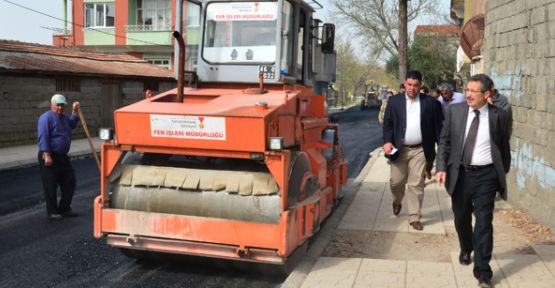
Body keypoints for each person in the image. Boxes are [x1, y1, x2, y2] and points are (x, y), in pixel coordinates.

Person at [436, 74, 511, 288]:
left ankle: (483, 272)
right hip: (460, 174)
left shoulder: (499, 116)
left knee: (484, 222)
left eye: (473, 91)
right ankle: (466, 247)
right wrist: (441, 167)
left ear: (487, 94)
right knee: (461, 217)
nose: (467, 95)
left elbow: (504, 146)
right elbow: (445, 142)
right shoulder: (455, 112)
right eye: (466, 90)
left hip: (486, 176)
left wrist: (502, 172)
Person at [383, 70, 443, 230]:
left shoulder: (431, 103)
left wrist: (442, 150)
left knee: (416, 184)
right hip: (399, 149)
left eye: (416, 85)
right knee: (396, 182)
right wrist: (387, 141)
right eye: (409, 85)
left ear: (420, 85)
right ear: (404, 83)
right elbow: (388, 124)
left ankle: (414, 216)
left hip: (421, 150)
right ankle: (397, 200)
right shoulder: (394, 102)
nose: (412, 88)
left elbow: (438, 129)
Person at [37, 94, 80, 221]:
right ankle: (52, 212)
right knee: (50, 185)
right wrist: (46, 154)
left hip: (62, 157)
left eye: (62, 105)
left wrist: (75, 111)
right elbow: (43, 136)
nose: (61, 107)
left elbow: (72, 124)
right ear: (52, 105)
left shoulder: (64, 118)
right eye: (58, 105)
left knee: (69, 181)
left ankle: (65, 209)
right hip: (49, 155)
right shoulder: (45, 118)